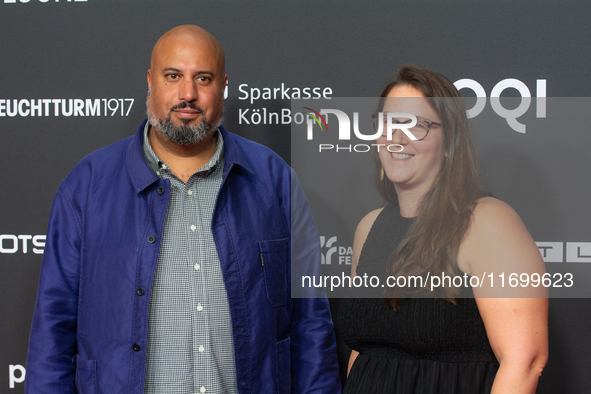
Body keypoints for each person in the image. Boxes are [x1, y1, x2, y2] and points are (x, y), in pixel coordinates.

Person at [26, 25, 341, 394]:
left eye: (202, 78)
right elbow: (53, 328)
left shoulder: (273, 181)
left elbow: (310, 327)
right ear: (150, 81)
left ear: (223, 86)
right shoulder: (87, 186)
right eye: (173, 76)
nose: (187, 94)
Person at [337, 65, 548, 393]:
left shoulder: (486, 223)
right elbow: (365, 351)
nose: (396, 137)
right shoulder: (369, 227)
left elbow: (525, 362)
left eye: (416, 126)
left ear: (449, 143)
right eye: (388, 123)